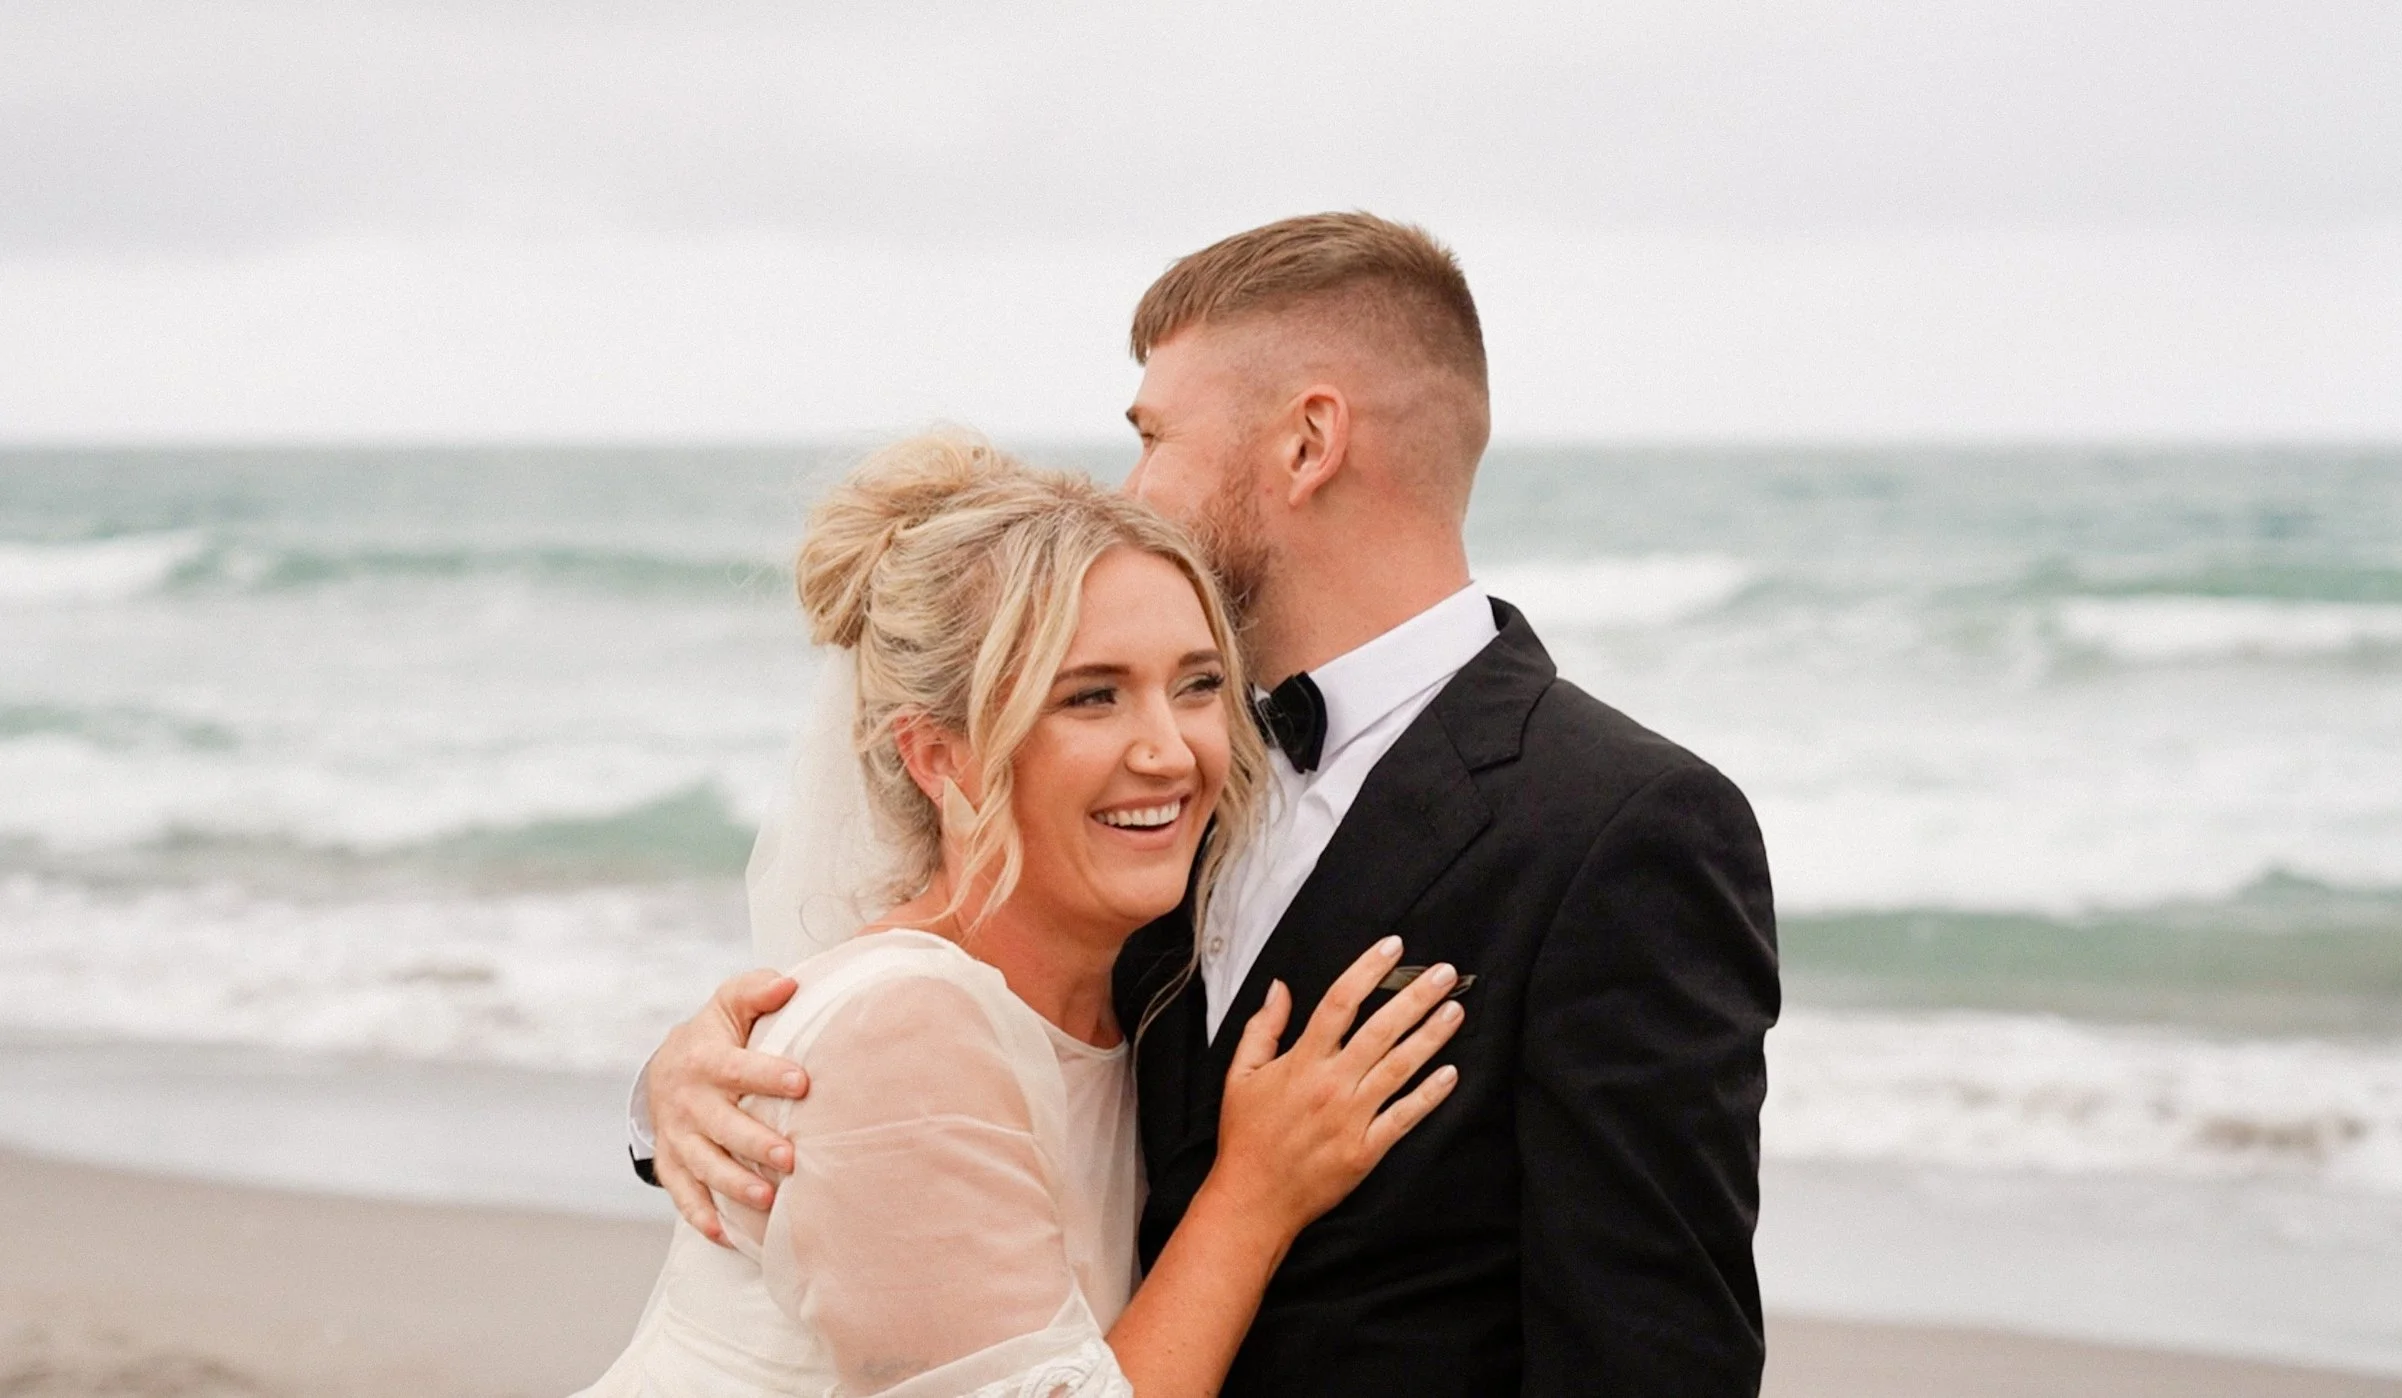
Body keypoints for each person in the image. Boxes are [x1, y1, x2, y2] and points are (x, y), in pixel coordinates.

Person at [643, 214, 1781, 1396]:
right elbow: (931, 1093)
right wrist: (684, 1093)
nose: (1129, 486)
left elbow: (1654, 1361)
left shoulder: (1618, 829)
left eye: (1153, 436)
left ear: (1307, 442)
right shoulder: (1154, 785)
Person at [583, 434, 1467, 1396]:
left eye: (1199, 685)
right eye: (1093, 697)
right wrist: (1253, 1196)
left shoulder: (1134, 999)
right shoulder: (908, 1029)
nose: (1169, 752)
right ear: (936, 757)